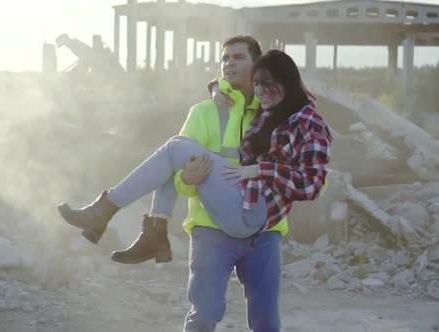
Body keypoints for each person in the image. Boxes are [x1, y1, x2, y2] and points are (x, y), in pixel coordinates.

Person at [58, 47, 332, 331]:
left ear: (285, 79)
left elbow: (314, 183)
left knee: (267, 323)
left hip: (256, 217)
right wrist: (215, 91)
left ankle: (119, 216)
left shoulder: (304, 121)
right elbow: (177, 176)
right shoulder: (234, 111)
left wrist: (261, 170)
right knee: (203, 315)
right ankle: (142, 225)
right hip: (220, 221)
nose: (261, 89)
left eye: (265, 80)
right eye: (257, 82)